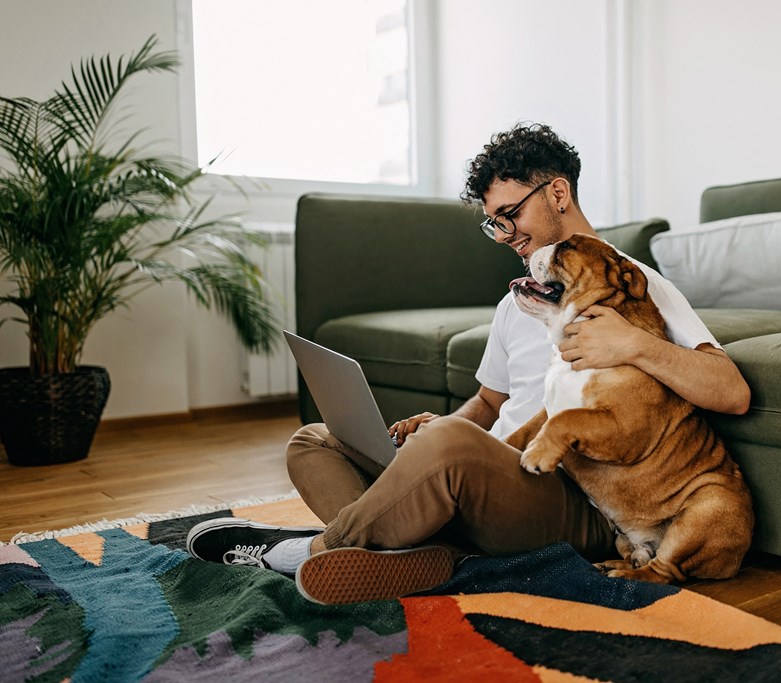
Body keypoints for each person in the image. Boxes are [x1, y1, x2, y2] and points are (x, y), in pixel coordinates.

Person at [186, 123, 751, 605]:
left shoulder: (634, 285)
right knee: (314, 441)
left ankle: (308, 550)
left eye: (511, 214)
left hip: (568, 493)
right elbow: (488, 405)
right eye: (494, 222)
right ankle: (419, 551)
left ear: (557, 193)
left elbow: (731, 392)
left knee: (448, 446)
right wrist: (438, 429)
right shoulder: (517, 300)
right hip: (488, 470)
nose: (504, 236)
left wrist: (636, 345)